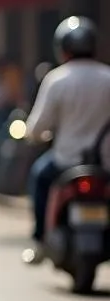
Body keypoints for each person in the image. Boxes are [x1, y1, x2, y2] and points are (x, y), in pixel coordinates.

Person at [23, 16, 110, 265]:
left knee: (40, 177)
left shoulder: (57, 79)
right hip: (105, 163)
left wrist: (34, 136)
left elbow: (37, 127)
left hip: (65, 161)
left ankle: (39, 239)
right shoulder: (107, 77)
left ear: (62, 48)